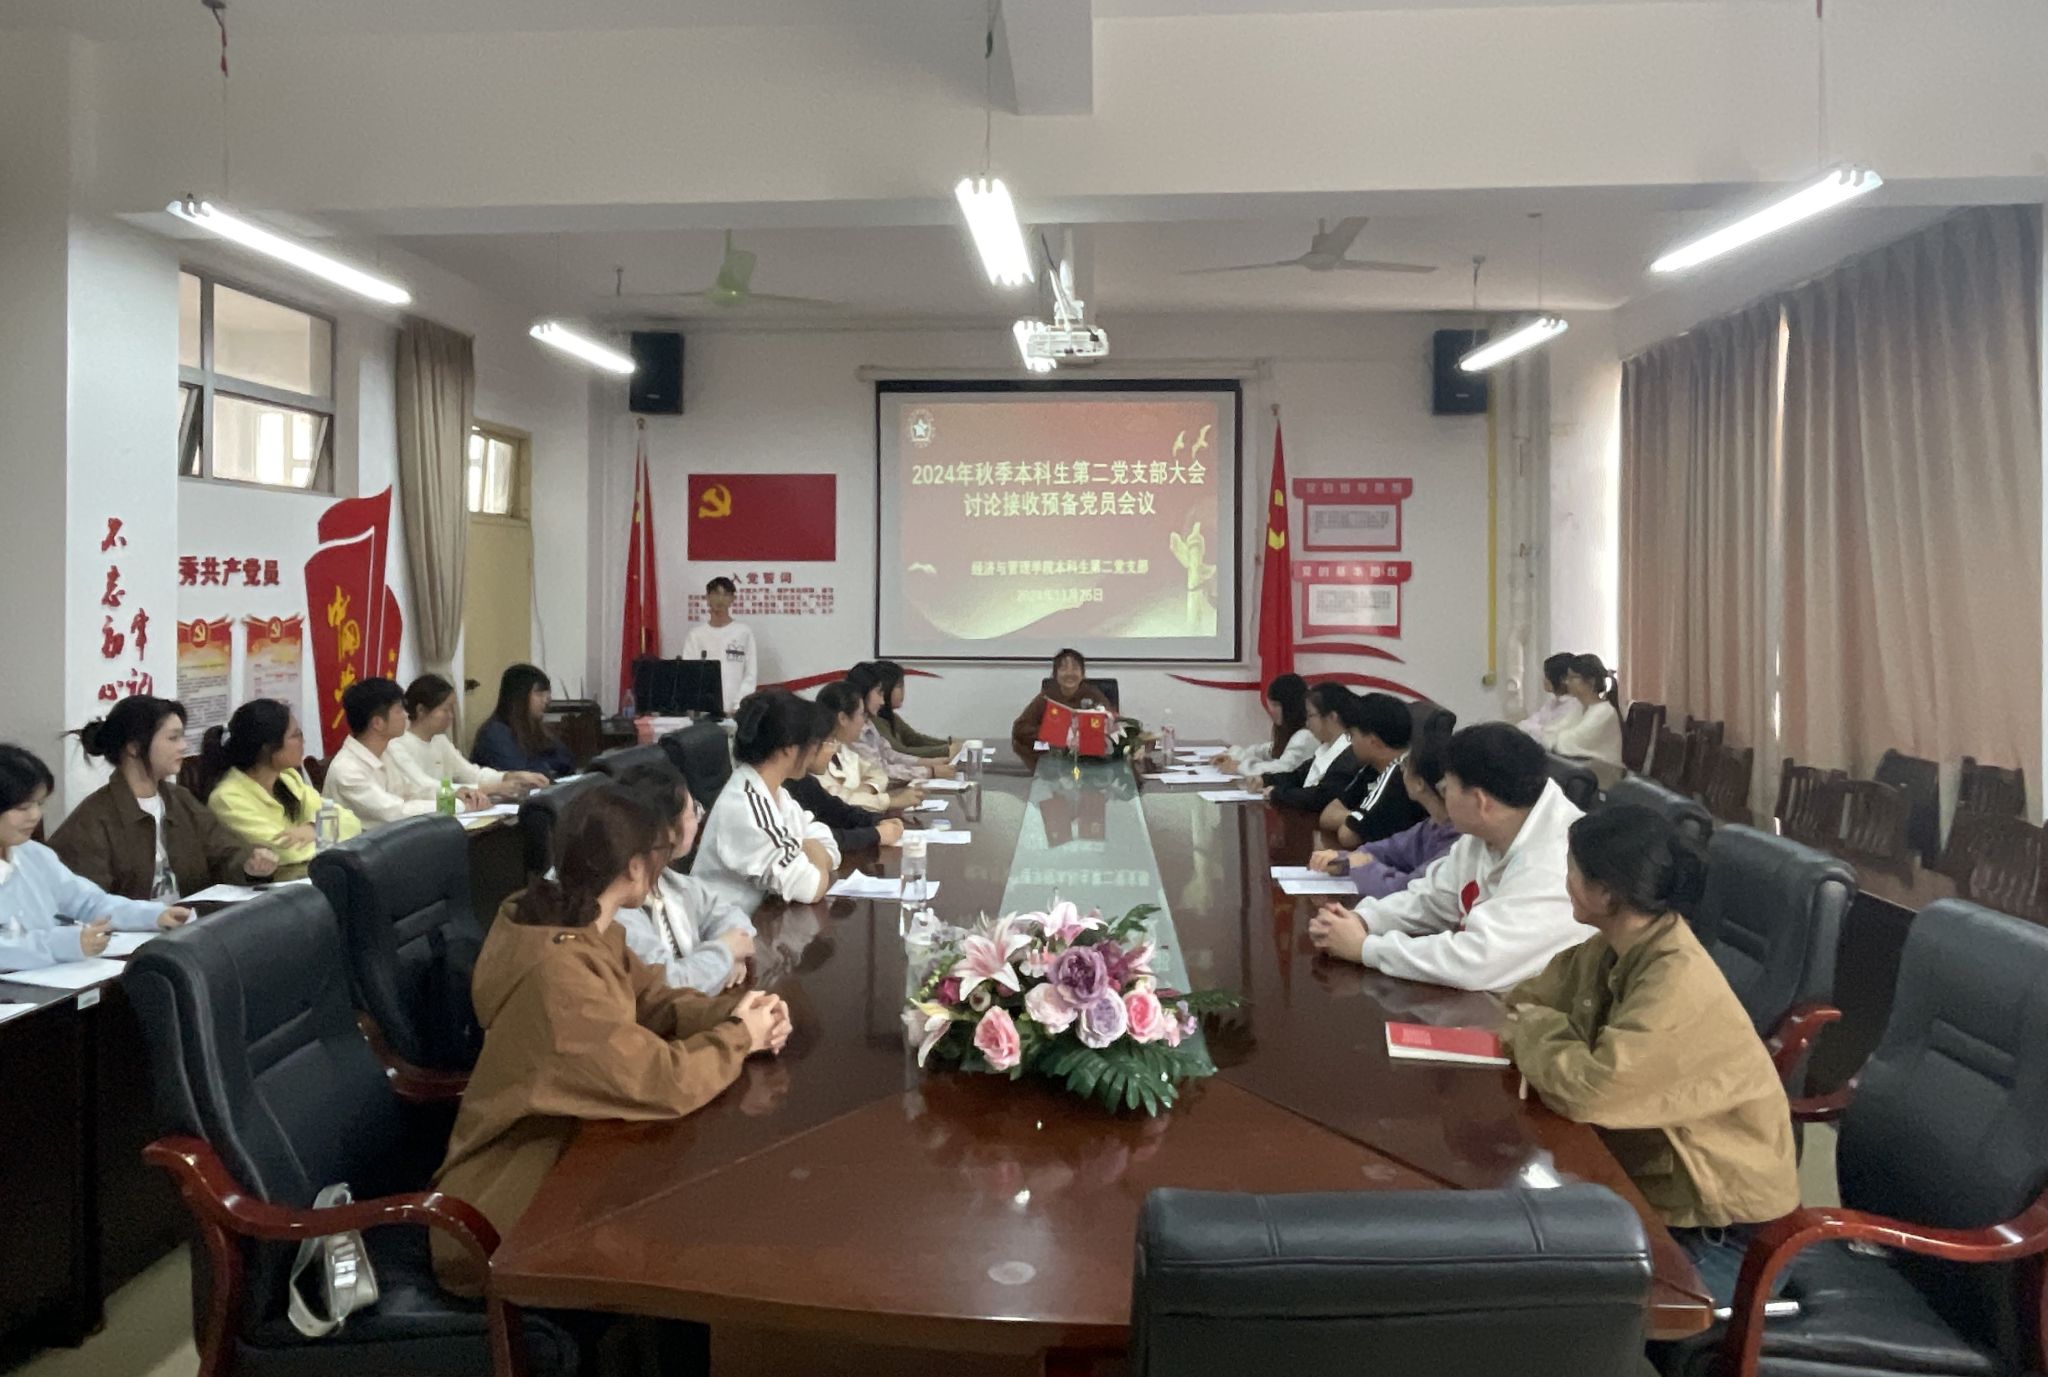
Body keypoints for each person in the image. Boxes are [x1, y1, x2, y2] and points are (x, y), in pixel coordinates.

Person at [430, 784, 789, 1297]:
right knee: (701, 1250)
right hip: (499, 1219)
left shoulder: (582, 928)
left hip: (565, 1155)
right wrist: (737, 1038)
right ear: (635, 868)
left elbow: (657, 1001)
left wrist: (736, 1012)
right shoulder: (560, 974)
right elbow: (659, 1079)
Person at [1502, 805, 1798, 1303]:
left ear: (1605, 894)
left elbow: (1589, 1091)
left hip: (1725, 1238)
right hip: (1652, 1194)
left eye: (1572, 869)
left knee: (1545, 1298)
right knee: (1514, 1247)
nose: (1565, 881)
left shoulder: (1676, 980)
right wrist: (1544, 1030)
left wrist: (1537, 1028)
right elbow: (1520, 1001)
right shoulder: (1615, 947)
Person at [1307, 722, 1590, 990]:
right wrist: (1363, 920)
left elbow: (1478, 961)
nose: (1442, 796)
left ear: (1479, 801)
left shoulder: (1559, 861)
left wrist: (1366, 949)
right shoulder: (1489, 830)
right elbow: (1432, 898)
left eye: (1446, 788)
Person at [52, 695, 278, 900]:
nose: (183, 746)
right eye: (173, 738)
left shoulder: (179, 799)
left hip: (192, 924)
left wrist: (250, 865)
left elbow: (224, 851)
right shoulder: (93, 821)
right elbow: (87, 904)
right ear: (134, 747)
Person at [0, 745, 192, 971]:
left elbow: (89, 902)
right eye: (23, 808)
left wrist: (154, 915)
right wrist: (64, 944)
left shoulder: (34, 855)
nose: (35, 815)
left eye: (39, 804)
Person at [609, 762, 758, 995]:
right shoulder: (618, 905)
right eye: (692, 812)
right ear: (667, 832)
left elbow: (733, 917)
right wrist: (725, 954)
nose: (699, 818)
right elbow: (666, 985)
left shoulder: (666, 880)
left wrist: (728, 957)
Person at [693, 690, 843, 910]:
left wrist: (808, 850)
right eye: (813, 742)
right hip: (722, 926)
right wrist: (811, 851)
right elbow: (810, 888)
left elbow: (829, 843)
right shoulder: (746, 805)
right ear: (789, 748)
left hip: (760, 919)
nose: (816, 750)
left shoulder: (775, 792)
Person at [1310, 709, 1459, 900]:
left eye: (1404, 766)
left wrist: (1361, 865)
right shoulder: (1432, 825)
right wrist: (1345, 860)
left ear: (1419, 783)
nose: (1400, 771)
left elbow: (1408, 890)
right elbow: (1388, 849)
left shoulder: (1458, 840)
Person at [203, 699, 361, 871]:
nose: (303, 741)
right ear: (267, 747)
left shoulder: (288, 778)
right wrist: (326, 832)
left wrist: (314, 829)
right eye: (295, 735)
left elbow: (351, 822)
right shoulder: (227, 798)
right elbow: (285, 853)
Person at [323, 678, 491, 825]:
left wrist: (455, 794)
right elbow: (395, 811)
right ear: (377, 723)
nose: (406, 715)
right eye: (399, 710)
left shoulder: (385, 751)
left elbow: (413, 790)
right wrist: (457, 806)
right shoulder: (347, 770)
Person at [388, 674, 548, 801]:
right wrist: (490, 789)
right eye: (445, 710)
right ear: (421, 710)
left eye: (452, 710)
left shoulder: (439, 740)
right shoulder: (396, 744)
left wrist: (511, 776)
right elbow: (423, 787)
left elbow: (471, 773)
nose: (451, 716)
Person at [789, 701, 904, 853]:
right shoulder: (783, 787)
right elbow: (819, 839)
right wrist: (876, 834)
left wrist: (877, 821)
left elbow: (836, 810)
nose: (833, 749)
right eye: (830, 742)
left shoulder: (802, 781)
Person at [1319, 692, 1429, 844]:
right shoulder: (1372, 768)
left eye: (1351, 736)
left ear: (1373, 742)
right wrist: (1359, 817)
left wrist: (1358, 820)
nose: (1351, 743)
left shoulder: (1401, 773)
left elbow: (1348, 836)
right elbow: (1327, 815)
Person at [814, 681, 921, 812]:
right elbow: (839, 801)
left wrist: (865, 790)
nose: (864, 721)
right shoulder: (813, 756)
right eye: (861, 714)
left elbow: (879, 774)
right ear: (843, 718)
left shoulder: (842, 749)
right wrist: (891, 801)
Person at [1260, 682, 1361, 814]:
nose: (1307, 723)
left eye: (1310, 715)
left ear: (1332, 717)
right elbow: (1298, 776)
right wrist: (1265, 780)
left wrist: (1278, 793)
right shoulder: (1325, 748)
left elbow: (1320, 797)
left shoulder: (1350, 754)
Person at [846, 663, 954, 783]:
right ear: (863, 692)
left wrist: (928, 762)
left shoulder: (868, 723)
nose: (882, 701)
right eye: (879, 693)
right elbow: (879, 772)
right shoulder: (854, 729)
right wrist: (930, 771)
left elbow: (889, 754)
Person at [471, 664, 575, 779]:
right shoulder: (494, 733)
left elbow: (567, 761)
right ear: (519, 696)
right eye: (539, 694)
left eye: (547, 694)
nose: (546, 700)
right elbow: (522, 774)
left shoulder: (536, 728)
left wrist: (545, 766)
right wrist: (548, 767)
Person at [1011, 649, 1114, 763]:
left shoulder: (1093, 695)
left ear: (1082, 673)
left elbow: (1113, 724)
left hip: (1088, 760)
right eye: (1063, 668)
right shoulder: (1047, 696)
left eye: (1075, 668)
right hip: (1052, 758)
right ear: (1055, 674)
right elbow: (1020, 728)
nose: (1069, 673)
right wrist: (1052, 735)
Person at [1544, 653, 1625, 789]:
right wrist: (1552, 738)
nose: (1567, 682)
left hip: (1603, 777)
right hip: (1583, 771)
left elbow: (1569, 742)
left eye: (1572, 677)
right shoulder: (1579, 707)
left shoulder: (1604, 712)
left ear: (1591, 681)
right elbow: (1550, 731)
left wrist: (1553, 739)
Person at [680, 577, 758, 715]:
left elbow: (750, 674)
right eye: (716, 593)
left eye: (726, 594)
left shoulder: (743, 632)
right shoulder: (696, 635)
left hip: (736, 712)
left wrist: (738, 706)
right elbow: (689, 675)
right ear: (707, 597)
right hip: (704, 712)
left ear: (732, 599)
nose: (720, 599)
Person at [1212, 673, 1314, 779]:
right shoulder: (1294, 732)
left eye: (1275, 705)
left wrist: (1240, 767)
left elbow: (1283, 769)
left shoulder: (1305, 737)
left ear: (1291, 706)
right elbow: (1269, 751)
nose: (1271, 710)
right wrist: (1234, 755)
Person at [869, 660, 958, 761]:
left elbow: (915, 739)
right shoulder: (873, 720)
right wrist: (948, 750)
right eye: (899, 686)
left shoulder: (891, 716)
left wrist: (951, 744)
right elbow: (900, 752)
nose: (903, 691)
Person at [1517, 653, 1580, 741]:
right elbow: (1523, 726)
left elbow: (1552, 735)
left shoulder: (1576, 706)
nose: (1544, 680)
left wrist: (1538, 730)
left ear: (1563, 679)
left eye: (1547, 676)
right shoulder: (1552, 703)